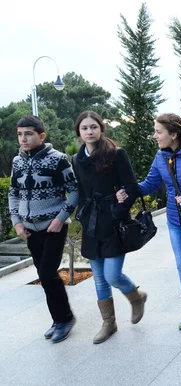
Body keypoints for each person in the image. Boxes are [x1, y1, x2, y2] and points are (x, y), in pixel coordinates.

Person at [117, 113, 181, 330]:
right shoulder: (161, 157)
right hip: (175, 221)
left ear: (173, 134)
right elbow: (150, 184)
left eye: (158, 131)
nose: (154, 136)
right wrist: (128, 191)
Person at [72, 111, 146, 344]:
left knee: (112, 274)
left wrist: (118, 211)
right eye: (84, 128)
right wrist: (82, 215)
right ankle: (109, 322)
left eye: (93, 127)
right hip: (92, 224)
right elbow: (82, 192)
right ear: (79, 132)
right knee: (99, 278)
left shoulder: (116, 154)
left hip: (113, 222)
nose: (89, 131)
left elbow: (132, 188)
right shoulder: (76, 159)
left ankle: (135, 297)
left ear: (101, 129)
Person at [8, 115, 78, 343]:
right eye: (20, 134)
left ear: (41, 136)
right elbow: (13, 193)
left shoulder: (58, 159)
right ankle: (58, 318)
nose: (23, 138)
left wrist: (60, 218)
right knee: (44, 275)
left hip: (53, 227)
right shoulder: (17, 162)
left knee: (47, 273)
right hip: (29, 228)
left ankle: (65, 318)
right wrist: (16, 222)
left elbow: (75, 191)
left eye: (28, 134)